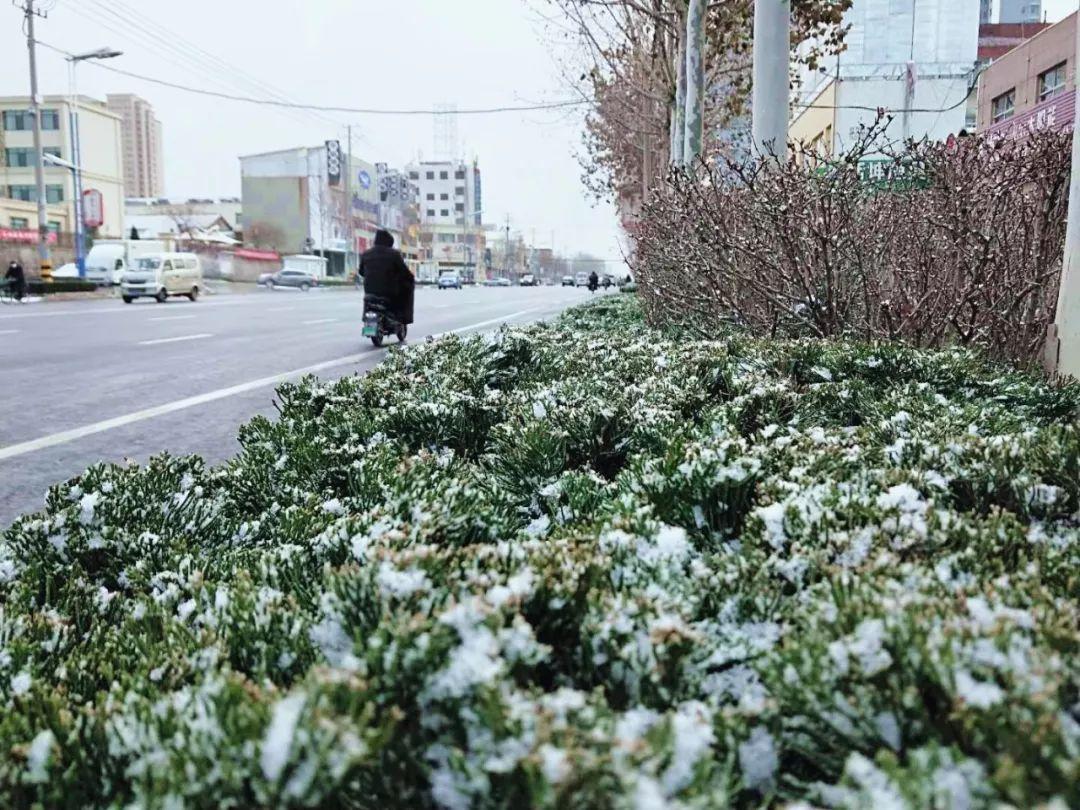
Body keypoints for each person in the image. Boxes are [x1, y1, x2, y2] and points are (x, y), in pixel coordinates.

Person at [358, 229, 415, 326]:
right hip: (389, 292)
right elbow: (404, 272)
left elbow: (361, 272)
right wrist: (410, 279)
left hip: (370, 291)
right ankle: (402, 318)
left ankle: (370, 322)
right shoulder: (394, 254)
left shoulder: (366, 254)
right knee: (407, 289)